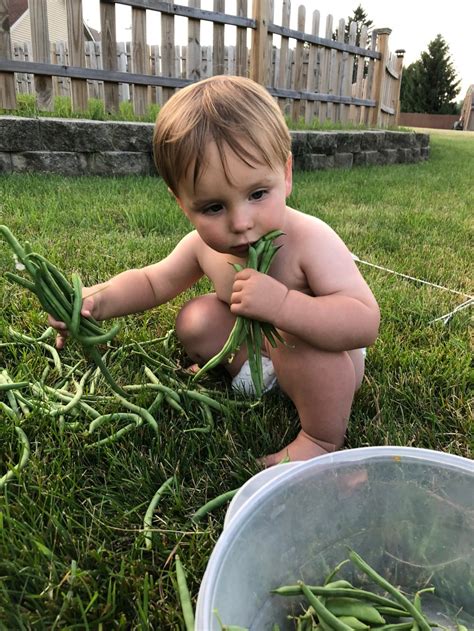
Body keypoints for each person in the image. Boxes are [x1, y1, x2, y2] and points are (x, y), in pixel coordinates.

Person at [49, 75, 380, 467]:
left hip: (327, 362)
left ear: (286, 174)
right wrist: (95, 301)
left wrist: (285, 305)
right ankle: (249, 375)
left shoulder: (310, 240)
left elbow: (364, 322)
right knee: (195, 318)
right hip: (263, 354)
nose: (240, 222)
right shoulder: (202, 247)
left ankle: (319, 439)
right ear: (182, 204)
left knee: (294, 336)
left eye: (258, 194)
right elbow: (152, 281)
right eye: (213, 207)